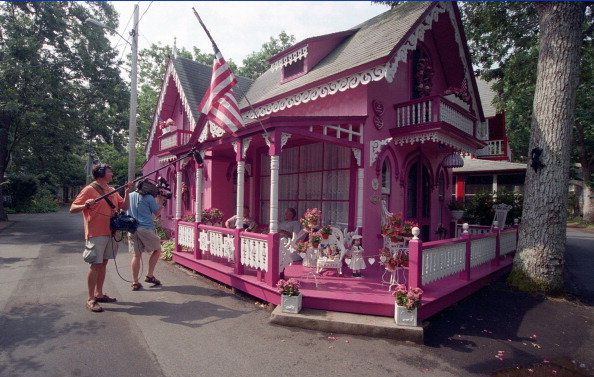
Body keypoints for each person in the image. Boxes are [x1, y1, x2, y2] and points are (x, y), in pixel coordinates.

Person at [70, 163, 133, 313]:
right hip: (95, 233)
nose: (112, 174)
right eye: (109, 172)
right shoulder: (89, 189)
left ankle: (99, 294)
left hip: (110, 232)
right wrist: (85, 205)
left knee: (103, 263)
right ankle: (90, 299)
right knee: (95, 265)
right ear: (100, 173)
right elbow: (72, 209)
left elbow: (124, 207)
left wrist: (127, 191)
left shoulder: (111, 190)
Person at [127, 180, 165, 291]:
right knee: (157, 250)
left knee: (136, 255)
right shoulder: (148, 198)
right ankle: (150, 275)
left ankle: (135, 282)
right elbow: (157, 212)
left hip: (132, 228)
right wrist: (161, 201)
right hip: (146, 228)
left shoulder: (129, 196)